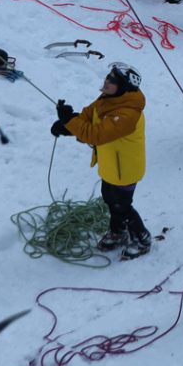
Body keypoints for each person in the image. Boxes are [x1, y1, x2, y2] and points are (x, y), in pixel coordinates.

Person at [52, 62, 153, 259]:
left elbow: (96, 134)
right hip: (110, 166)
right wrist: (68, 124)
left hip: (125, 169)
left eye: (113, 80)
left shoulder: (127, 114)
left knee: (122, 206)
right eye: (108, 76)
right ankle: (118, 232)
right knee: (109, 198)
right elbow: (88, 118)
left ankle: (142, 239)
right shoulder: (107, 100)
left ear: (123, 87)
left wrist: (71, 123)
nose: (107, 81)